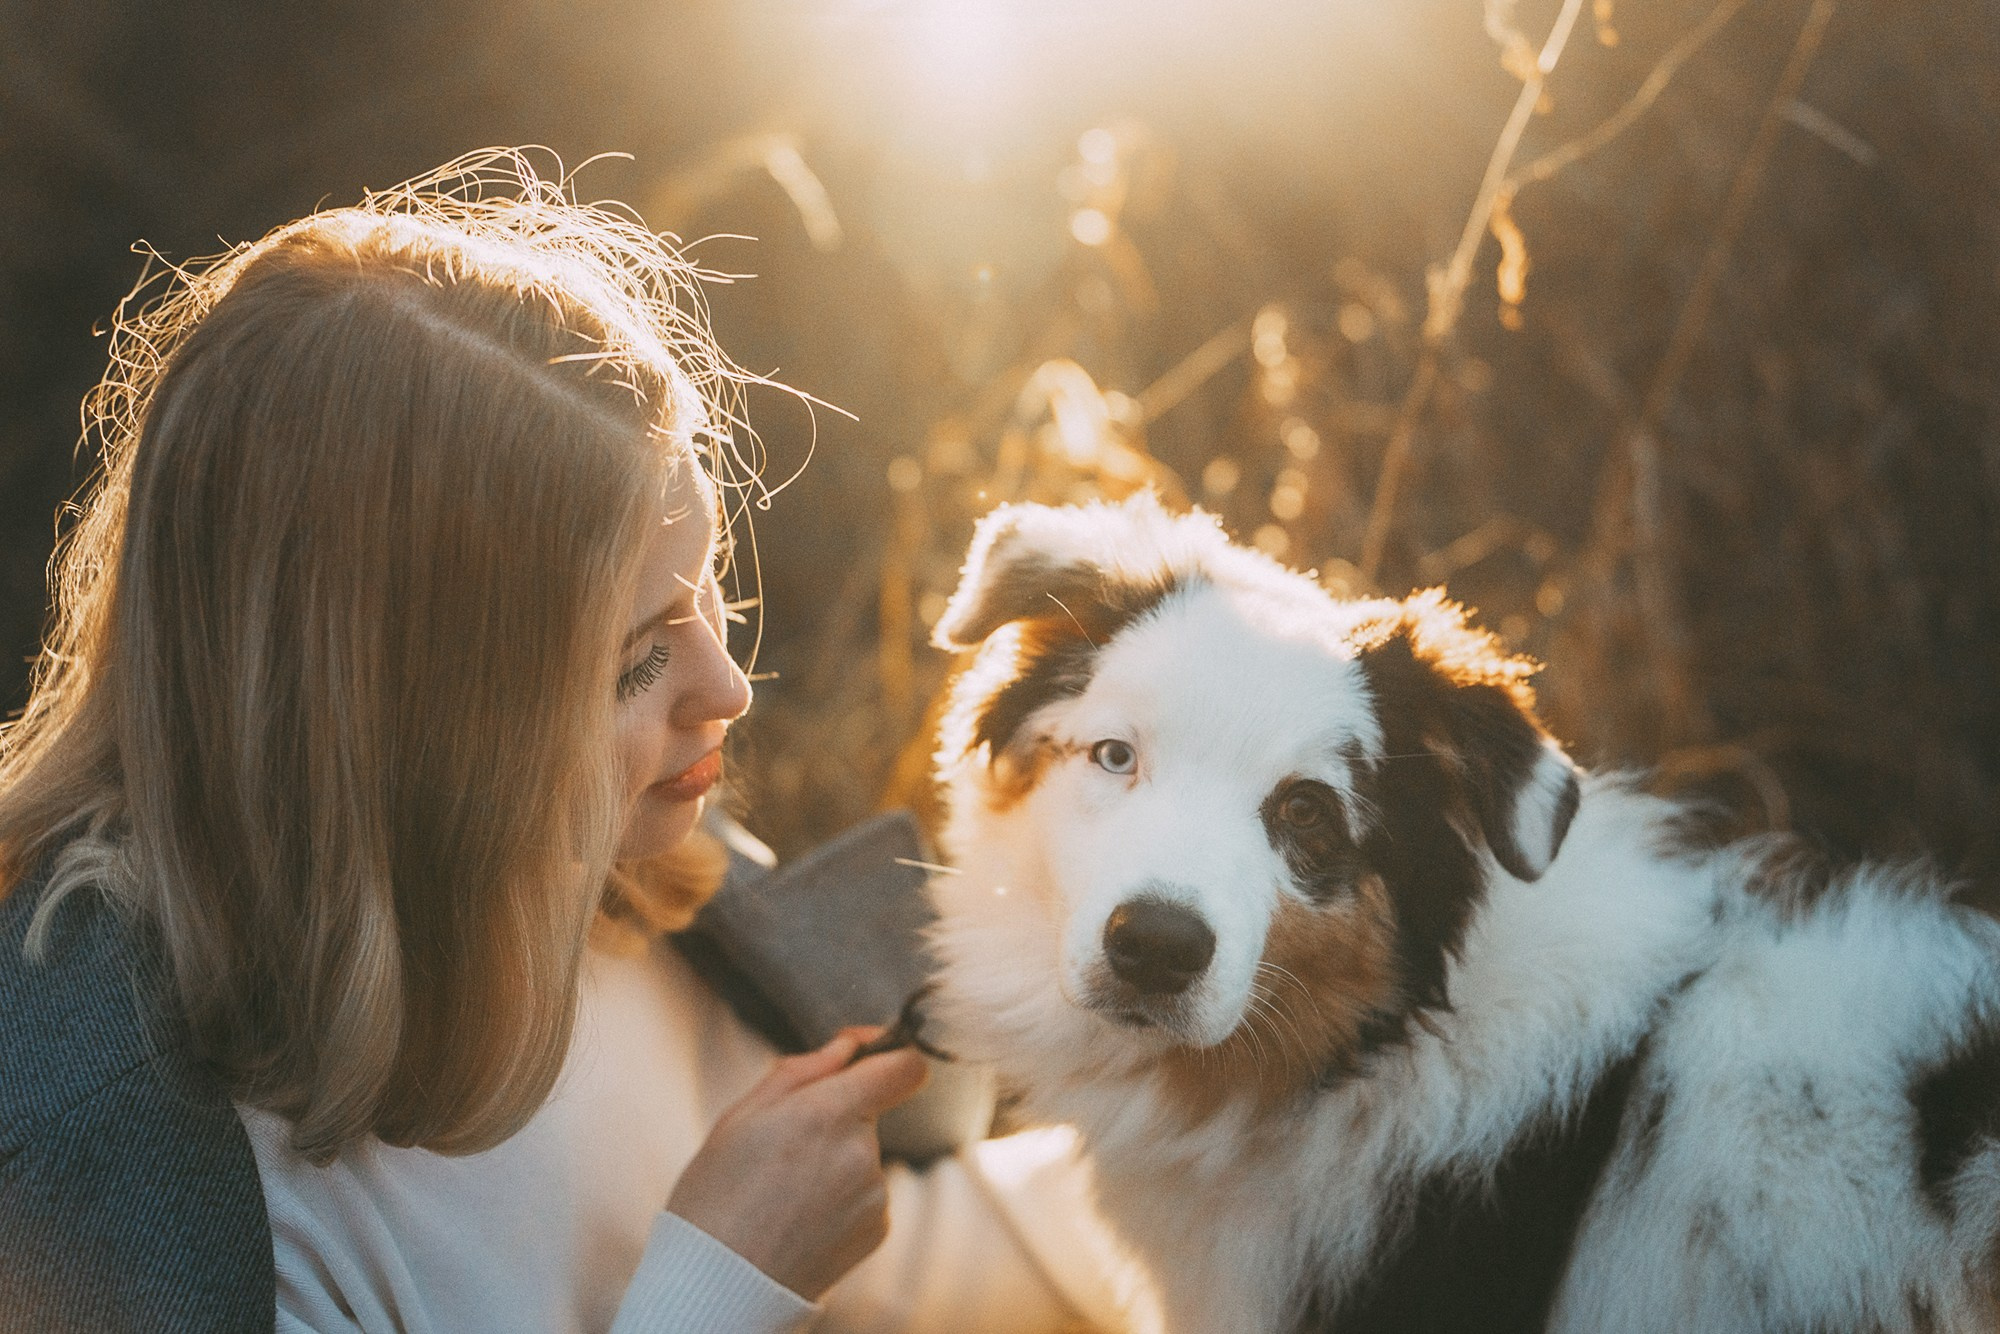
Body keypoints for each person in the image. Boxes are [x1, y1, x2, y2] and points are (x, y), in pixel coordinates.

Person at [0, 150, 1132, 1333]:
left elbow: (911, 1250)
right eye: (634, 659)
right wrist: (716, 1285)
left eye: (706, 591)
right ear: (417, 728)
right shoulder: (112, 1194)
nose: (726, 687)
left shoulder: (622, 880)